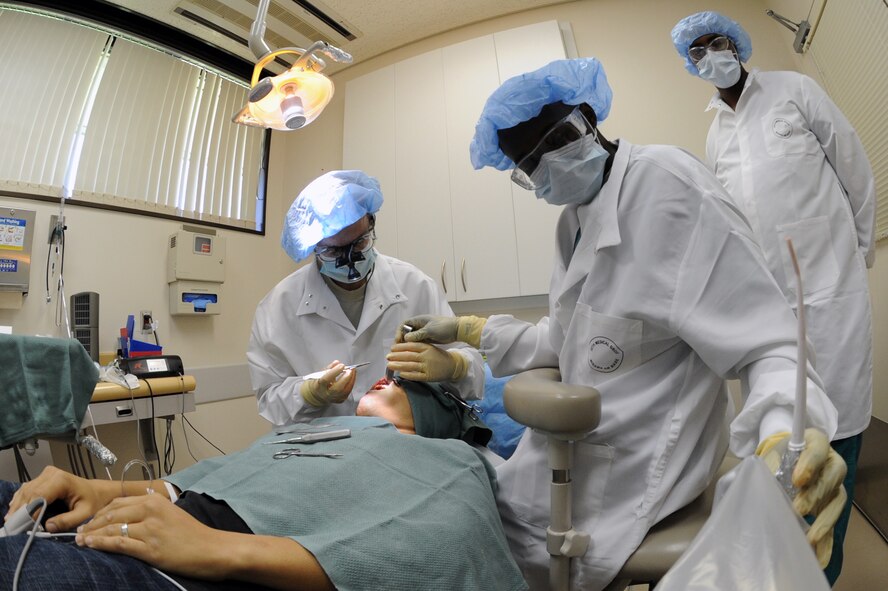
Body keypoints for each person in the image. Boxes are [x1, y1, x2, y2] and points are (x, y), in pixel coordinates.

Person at [388, 57, 847, 591]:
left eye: (554, 141)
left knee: (470, 548)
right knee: (466, 516)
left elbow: (768, 343)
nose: (545, 168)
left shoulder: (670, 188)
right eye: (528, 165)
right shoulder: (574, 222)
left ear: (587, 116)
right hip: (573, 453)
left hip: (637, 462)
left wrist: (789, 431)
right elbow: (565, 342)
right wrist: (471, 331)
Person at [671, 11, 875, 584]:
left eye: (717, 42)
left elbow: (854, 167)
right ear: (691, 65)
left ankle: (826, 570)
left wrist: (859, 252)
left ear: (737, 45)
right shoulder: (715, 133)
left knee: (838, 421)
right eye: (697, 52)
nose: (710, 55)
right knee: (779, 432)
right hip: (764, 307)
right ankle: (789, 570)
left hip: (831, 288)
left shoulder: (794, 89)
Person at [0, 377, 524, 591]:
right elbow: (204, 482)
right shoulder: (315, 429)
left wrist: (217, 548)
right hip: (145, 526)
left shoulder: (451, 458)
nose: (386, 375)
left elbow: (443, 553)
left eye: (406, 382)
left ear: (444, 410)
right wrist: (100, 490)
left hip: (194, 570)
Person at [247, 169, 484, 429]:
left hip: (404, 441)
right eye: (334, 251)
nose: (351, 261)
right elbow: (269, 400)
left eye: (359, 243)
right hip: (320, 444)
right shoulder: (277, 308)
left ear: (371, 225)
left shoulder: (416, 287)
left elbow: (475, 375)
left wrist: (454, 366)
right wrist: (307, 394)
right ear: (313, 248)